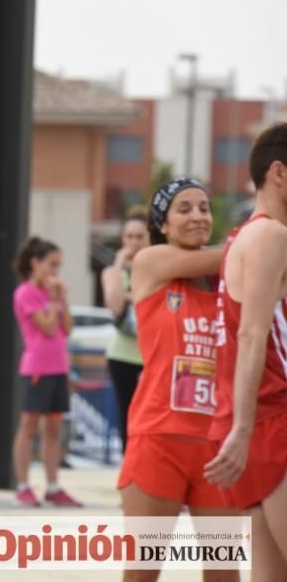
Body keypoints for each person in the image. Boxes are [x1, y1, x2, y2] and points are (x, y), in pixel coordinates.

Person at [117, 179, 236, 582]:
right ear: (162, 224)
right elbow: (240, 256)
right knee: (143, 572)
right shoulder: (150, 262)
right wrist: (262, 243)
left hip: (217, 448)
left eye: (204, 207)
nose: (199, 216)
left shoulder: (230, 278)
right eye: (184, 209)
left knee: (224, 572)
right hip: (159, 438)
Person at [206, 123, 287, 578]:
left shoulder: (244, 237)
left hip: (256, 421)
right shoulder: (271, 236)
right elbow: (252, 335)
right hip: (270, 419)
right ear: (278, 172)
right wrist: (242, 428)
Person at [11, 237, 82, 507]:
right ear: (35, 263)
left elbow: (67, 327)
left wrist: (62, 298)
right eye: (51, 265)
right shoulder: (26, 293)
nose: (55, 272)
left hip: (58, 367)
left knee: (54, 428)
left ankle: (53, 486)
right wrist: (53, 299)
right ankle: (22, 485)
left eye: (58, 266)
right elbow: (48, 327)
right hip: (37, 368)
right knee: (29, 426)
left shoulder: (54, 294)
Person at [101, 209, 150, 451]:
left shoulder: (157, 269)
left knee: (150, 416)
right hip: (123, 354)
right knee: (126, 415)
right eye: (128, 237)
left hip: (151, 354)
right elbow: (114, 304)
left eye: (139, 237)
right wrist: (119, 263)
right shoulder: (112, 273)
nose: (133, 243)